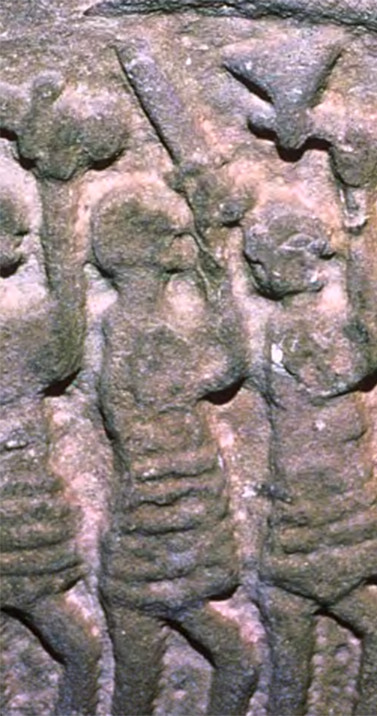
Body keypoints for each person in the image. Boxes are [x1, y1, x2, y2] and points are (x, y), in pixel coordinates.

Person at [91, 184, 258, 716]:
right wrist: (218, 268)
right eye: (173, 236)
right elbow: (226, 365)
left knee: (140, 684)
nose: (182, 244)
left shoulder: (133, 324)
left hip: (158, 532)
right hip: (162, 534)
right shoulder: (143, 329)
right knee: (234, 662)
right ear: (145, 249)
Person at [243, 202, 377, 715]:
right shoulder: (296, 332)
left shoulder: (291, 329)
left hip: (315, 518)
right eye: (301, 252)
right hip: (318, 523)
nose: (318, 260)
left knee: (295, 667)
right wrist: (360, 228)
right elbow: (367, 347)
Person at [0, 179, 100, 716]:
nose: (21, 244)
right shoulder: (18, 331)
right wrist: (58, 190)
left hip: (24, 513)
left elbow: (63, 349)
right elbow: (64, 343)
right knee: (79, 651)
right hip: (18, 511)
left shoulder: (20, 326)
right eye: (12, 233)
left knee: (78, 650)